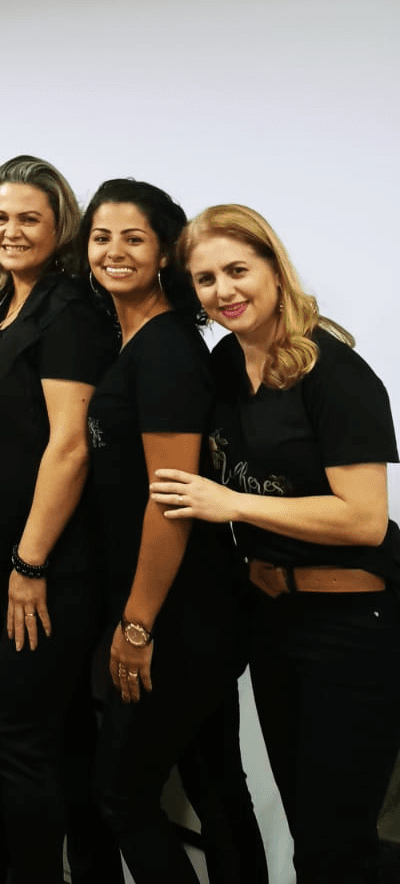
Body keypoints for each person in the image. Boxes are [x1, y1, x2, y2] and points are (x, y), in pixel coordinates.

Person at [152, 204, 400, 884]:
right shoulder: (225, 365)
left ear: (274, 267)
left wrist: (232, 503)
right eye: (205, 279)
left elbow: (364, 520)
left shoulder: (336, 372)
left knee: (336, 844)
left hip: (352, 628)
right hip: (273, 622)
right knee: (308, 828)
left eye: (237, 270)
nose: (223, 291)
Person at [82, 180, 267, 884]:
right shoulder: (137, 340)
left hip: (178, 611)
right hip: (192, 606)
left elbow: (172, 500)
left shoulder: (163, 350)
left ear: (165, 252)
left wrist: (137, 625)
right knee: (216, 786)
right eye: (101, 236)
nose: (114, 250)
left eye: (134, 238)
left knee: (122, 794)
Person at [0, 154, 117, 884]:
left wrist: (30, 562)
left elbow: (70, 446)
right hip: (2, 555)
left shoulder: (68, 311)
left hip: (48, 564)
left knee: (17, 737)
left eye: (28, 219)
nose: (10, 231)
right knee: (62, 733)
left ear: (60, 227)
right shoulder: (6, 306)